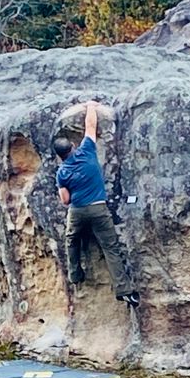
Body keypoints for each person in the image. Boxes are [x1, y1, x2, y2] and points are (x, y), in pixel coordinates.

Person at [54, 101, 140, 307]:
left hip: (77, 211)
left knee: (71, 241)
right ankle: (124, 290)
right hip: (99, 208)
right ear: (73, 147)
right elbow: (90, 127)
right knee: (110, 248)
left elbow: (65, 200)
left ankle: (75, 275)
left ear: (60, 156)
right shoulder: (87, 151)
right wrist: (90, 106)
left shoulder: (62, 172)